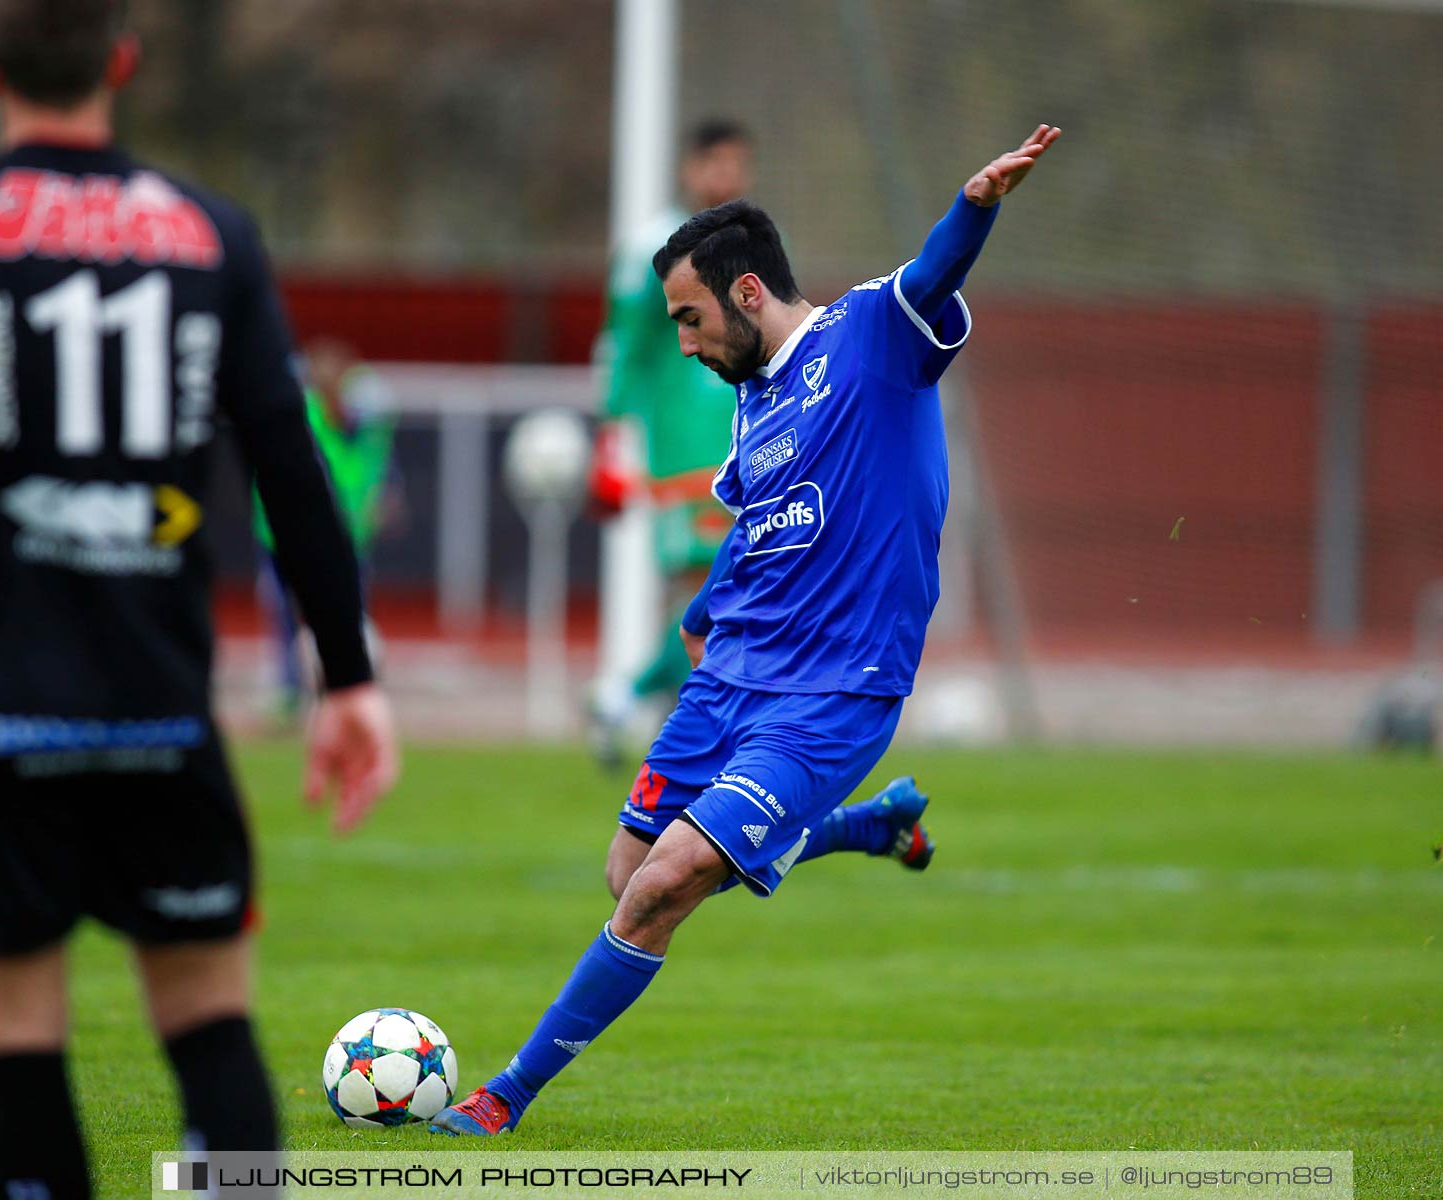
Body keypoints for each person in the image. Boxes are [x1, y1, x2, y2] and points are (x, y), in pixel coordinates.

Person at [0, 2, 399, 1196]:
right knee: (209, 1030)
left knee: (16, 1053)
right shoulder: (212, 234)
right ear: (124, 63)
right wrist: (349, 678)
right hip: (159, 710)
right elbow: (291, 466)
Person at [432, 125, 1061, 1138]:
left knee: (663, 889)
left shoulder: (870, 337)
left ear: (747, 294)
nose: (682, 343)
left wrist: (976, 205)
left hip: (834, 691)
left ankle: (505, 1095)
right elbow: (756, 530)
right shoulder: (754, 405)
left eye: (687, 320)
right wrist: (697, 617)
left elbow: (935, 273)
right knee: (627, 872)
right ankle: (868, 824)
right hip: (729, 677)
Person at [588, 120, 753, 761]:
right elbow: (624, 343)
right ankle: (653, 711)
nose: (726, 176)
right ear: (690, 169)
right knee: (704, 584)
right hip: (681, 450)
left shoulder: (761, 245)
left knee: (736, 587)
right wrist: (612, 432)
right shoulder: (651, 246)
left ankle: (632, 701)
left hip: (748, 443)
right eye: (714, 163)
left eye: (737, 164)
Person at [253, 337, 397, 719]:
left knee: (346, 615)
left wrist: (378, 500)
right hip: (285, 538)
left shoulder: (368, 420)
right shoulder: (301, 419)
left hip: (347, 539)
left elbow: (376, 470)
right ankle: (292, 691)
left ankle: (345, 687)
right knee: (285, 617)